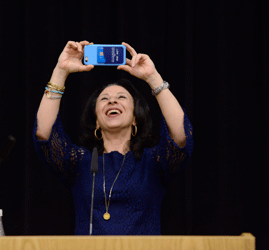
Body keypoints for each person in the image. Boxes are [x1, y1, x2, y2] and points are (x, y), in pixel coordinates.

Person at [33, 40, 193, 235]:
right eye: (104, 99)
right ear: (97, 122)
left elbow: (181, 137)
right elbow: (44, 134)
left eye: (121, 97)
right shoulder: (80, 162)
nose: (112, 101)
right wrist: (60, 70)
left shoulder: (152, 162)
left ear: (135, 118)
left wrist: (153, 78)